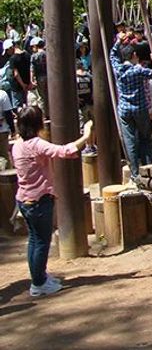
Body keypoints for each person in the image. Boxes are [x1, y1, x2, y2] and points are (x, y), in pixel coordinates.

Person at [11, 106, 90, 297]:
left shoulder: (17, 145)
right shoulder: (36, 144)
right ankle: (38, 284)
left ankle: (39, 277)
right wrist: (86, 135)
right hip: (39, 201)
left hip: (24, 199)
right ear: (37, 123)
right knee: (41, 242)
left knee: (34, 240)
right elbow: (64, 151)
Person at [110, 33, 152, 184]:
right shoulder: (138, 70)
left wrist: (118, 42)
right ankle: (148, 170)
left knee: (130, 141)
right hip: (140, 109)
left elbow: (112, 55)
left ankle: (134, 173)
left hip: (124, 110)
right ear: (134, 55)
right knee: (145, 139)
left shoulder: (118, 69)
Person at [8, 38, 33, 111]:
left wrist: (22, 85)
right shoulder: (27, 55)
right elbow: (30, 69)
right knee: (27, 104)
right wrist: (29, 82)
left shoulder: (13, 58)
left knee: (18, 106)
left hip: (17, 86)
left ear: (11, 47)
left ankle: (21, 117)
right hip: (27, 83)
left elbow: (16, 74)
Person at [30, 38, 48, 119]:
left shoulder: (34, 56)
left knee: (42, 97)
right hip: (49, 77)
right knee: (49, 95)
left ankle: (43, 115)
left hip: (39, 77)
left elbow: (32, 69)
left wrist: (32, 80)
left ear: (36, 46)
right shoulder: (47, 54)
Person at [0, 86, 14, 163]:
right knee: (4, 158)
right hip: (2, 130)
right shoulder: (2, 94)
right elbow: (8, 114)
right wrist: (13, 129)